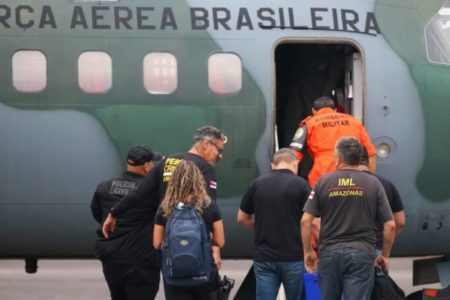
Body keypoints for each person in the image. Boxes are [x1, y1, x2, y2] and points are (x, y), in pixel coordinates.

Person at [102, 125, 227, 269]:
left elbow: (139, 193)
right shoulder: (205, 167)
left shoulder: (168, 161)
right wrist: (215, 248)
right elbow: (209, 208)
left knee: (173, 282)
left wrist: (113, 213)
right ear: (206, 145)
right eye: (219, 149)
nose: (220, 155)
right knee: (200, 285)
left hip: (168, 242)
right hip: (195, 243)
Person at [301, 137, 396, 300]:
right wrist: (384, 255)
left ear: (337, 158)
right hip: (362, 253)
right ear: (360, 158)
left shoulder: (323, 182)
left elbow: (305, 221)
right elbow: (391, 225)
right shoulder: (373, 183)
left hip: (329, 253)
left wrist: (308, 251)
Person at [90, 145, 163, 300]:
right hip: (142, 258)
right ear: (147, 165)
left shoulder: (105, 187)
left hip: (111, 257)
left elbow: (98, 215)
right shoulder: (154, 191)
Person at [237, 148, 311, 300]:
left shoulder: (257, 184)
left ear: (273, 165)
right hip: (294, 257)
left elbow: (242, 218)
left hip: (264, 257)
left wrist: (262, 227)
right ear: (295, 164)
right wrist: (311, 250)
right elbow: (309, 221)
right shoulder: (302, 185)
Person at [153, 160, 225, 300]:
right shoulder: (209, 205)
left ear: (173, 181)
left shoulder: (165, 208)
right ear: (198, 180)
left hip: (174, 275)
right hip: (204, 273)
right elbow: (220, 241)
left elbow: (156, 243)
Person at [289, 96, 377, 187]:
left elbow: (292, 155)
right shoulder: (353, 121)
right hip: (352, 176)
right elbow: (371, 154)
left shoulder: (309, 124)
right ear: (335, 110)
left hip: (322, 176)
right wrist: (370, 180)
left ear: (313, 111)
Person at [360, 147, 406, 254]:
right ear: (369, 161)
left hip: (346, 248)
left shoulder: (337, 184)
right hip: (377, 247)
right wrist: (385, 246)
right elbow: (400, 221)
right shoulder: (387, 184)